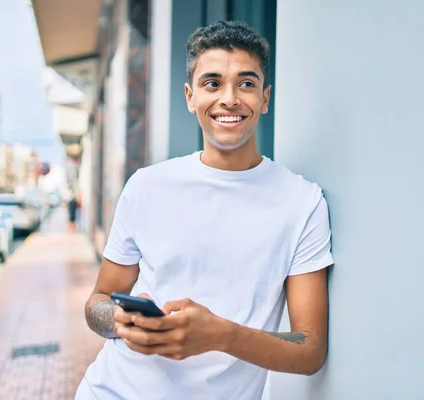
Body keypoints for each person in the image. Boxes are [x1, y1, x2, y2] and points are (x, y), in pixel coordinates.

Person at [76, 21, 333, 400]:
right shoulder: (146, 186)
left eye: (246, 83)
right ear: (190, 96)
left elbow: (310, 350)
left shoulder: (303, 202)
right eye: (212, 83)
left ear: (264, 98)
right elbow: (98, 301)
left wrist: (221, 335)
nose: (229, 98)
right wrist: (118, 319)